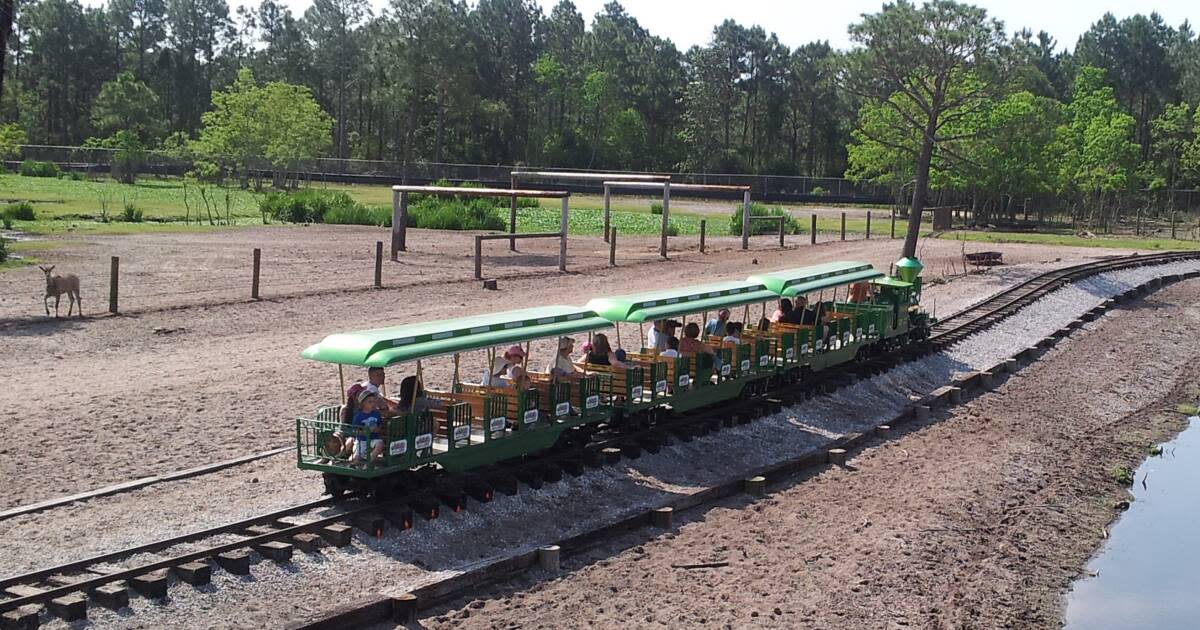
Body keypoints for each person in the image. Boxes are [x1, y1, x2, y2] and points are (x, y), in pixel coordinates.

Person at [349, 390, 385, 465]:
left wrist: (378, 429)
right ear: (363, 404)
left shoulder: (376, 413)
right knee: (355, 459)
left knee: (380, 443)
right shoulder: (358, 416)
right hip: (362, 440)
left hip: (373, 439)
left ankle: (368, 463)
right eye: (370, 402)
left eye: (374, 402)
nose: (373, 404)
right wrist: (365, 431)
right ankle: (354, 461)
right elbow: (354, 430)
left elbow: (380, 425)